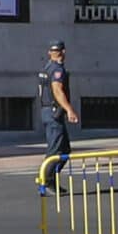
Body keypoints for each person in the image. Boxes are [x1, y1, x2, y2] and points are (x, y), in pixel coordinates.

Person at [40, 40, 79, 186]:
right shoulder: (57, 70)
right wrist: (69, 110)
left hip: (48, 111)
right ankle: (46, 182)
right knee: (55, 150)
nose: (59, 54)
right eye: (58, 51)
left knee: (64, 149)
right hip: (53, 113)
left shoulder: (47, 68)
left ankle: (51, 180)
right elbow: (57, 90)